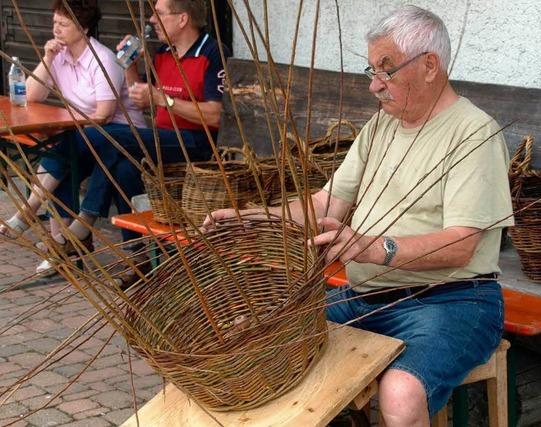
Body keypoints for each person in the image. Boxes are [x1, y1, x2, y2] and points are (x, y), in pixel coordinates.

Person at [205, 6, 513, 426]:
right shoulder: (380, 127)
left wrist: (371, 248)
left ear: (429, 66)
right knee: (261, 339)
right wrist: (253, 217)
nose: (374, 85)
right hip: (365, 298)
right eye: (372, 70)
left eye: (386, 71)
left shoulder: (473, 133)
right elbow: (325, 204)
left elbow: (462, 245)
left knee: (401, 392)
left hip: (452, 299)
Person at [4, 0, 227, 273]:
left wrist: (163, 99)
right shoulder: (163, 53)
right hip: (158, 139)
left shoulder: (213, 52)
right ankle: (137, 258)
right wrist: (130, 65)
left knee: (95, 138)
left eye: (158, 14)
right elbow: (140, 97)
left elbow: (216, 116)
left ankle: (76, 227)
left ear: (182, 19)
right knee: (113, 162)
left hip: (195, 144)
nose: (152, 21)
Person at [0, 0, 145, 274]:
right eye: (55, 22)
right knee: (60, 149)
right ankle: (61, 246)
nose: (57, 29)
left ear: (84, 28)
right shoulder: (60, 55)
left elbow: (103, 114)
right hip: (85, 138)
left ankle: (34, 217)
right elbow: (30, 96)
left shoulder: (102, 59)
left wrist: (70, 126)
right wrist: (48, 57)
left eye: (64, 24)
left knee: (64, 147)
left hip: (117, 137)